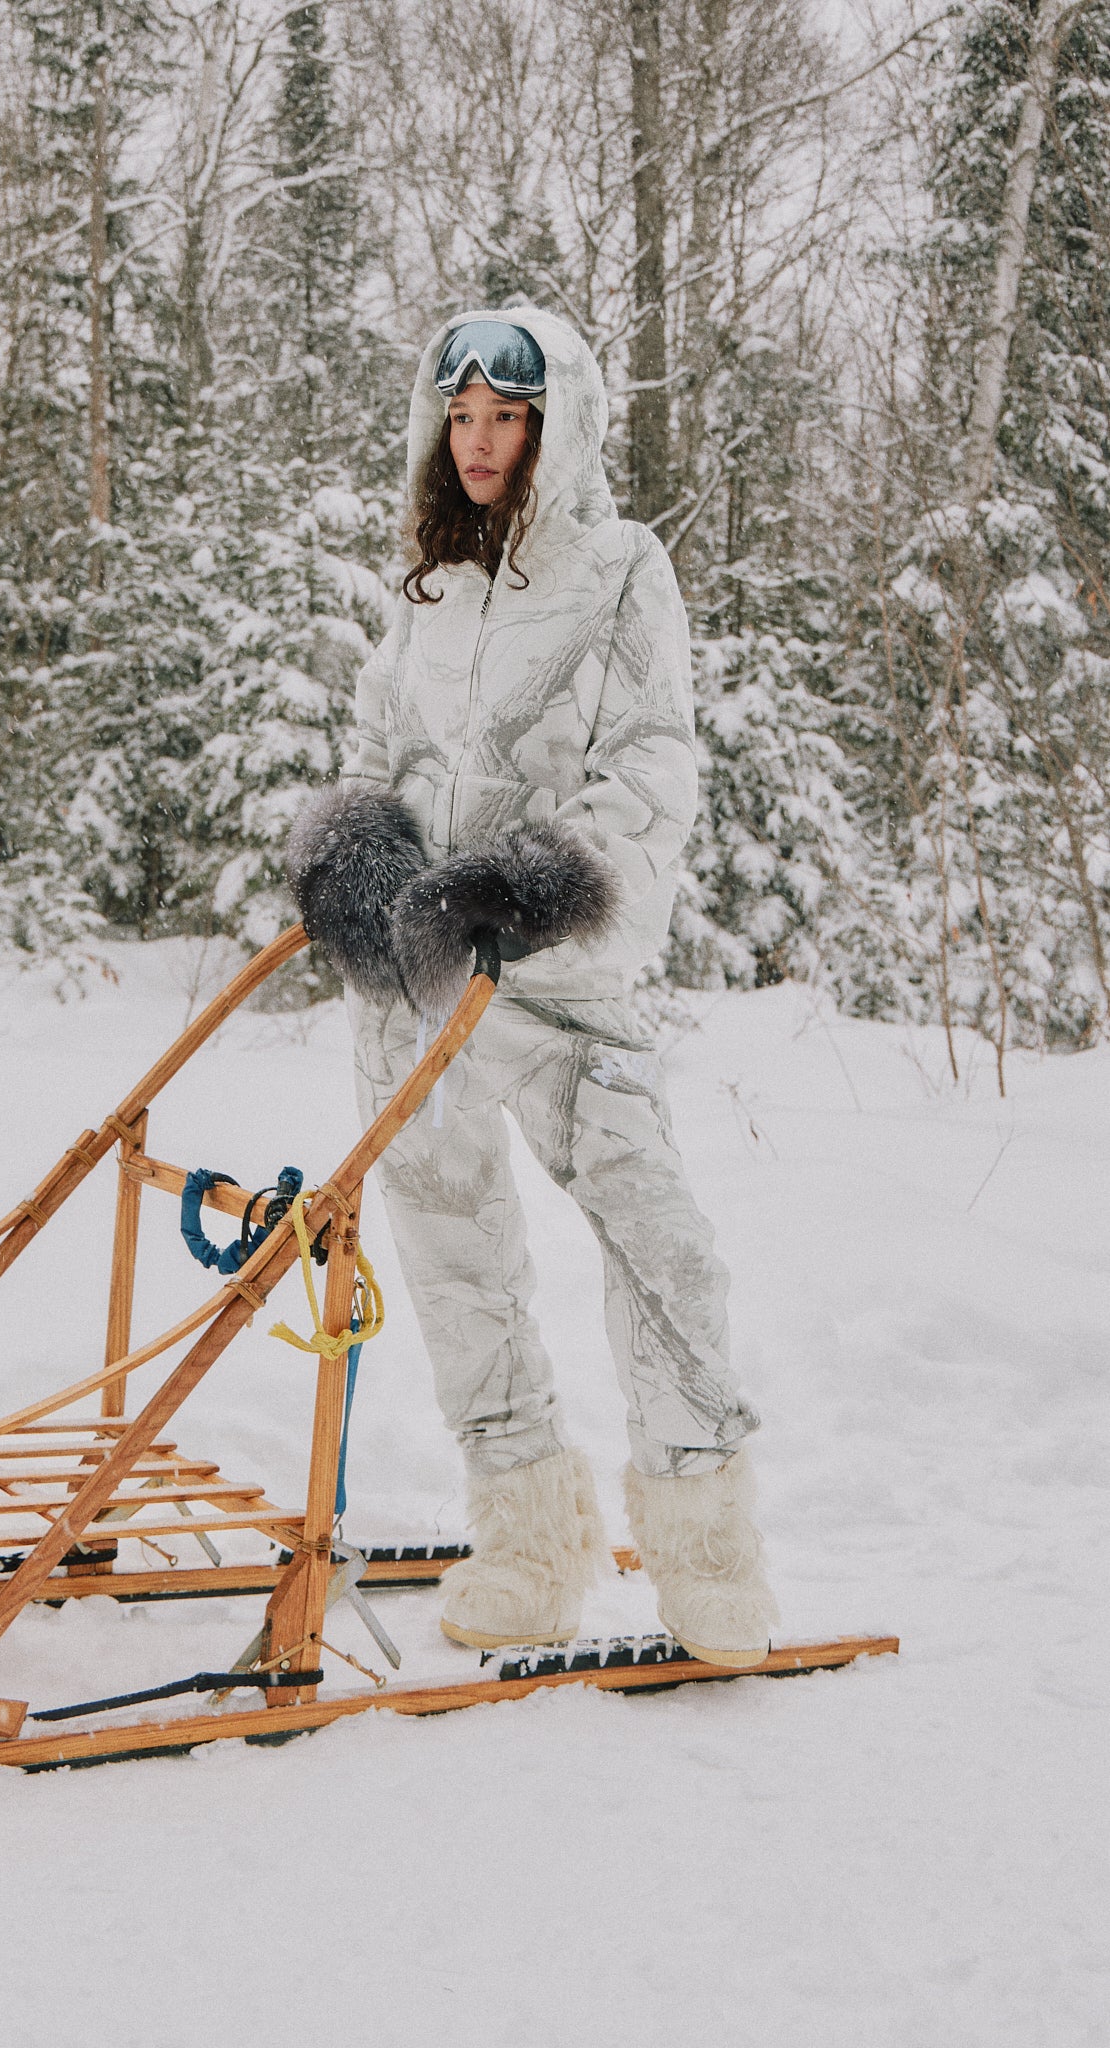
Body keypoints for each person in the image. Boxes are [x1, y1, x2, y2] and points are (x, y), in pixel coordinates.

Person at [287, 308, 778, 1667]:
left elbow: (652, 767)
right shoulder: (430, 584)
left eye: (507, 417)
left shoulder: (623, 569)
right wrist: (361, 862)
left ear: (557, 424)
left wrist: (532, 883)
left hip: (563, 973)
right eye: (461, 418)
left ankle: (705, 1547)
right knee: (457, 1263)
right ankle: (525, 1542)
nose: (483, 441)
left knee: (657, 1243)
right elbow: (383, 739)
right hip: (423, 984)